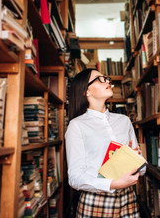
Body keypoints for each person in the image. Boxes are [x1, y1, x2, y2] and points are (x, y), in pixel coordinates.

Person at [65, 69, 146, 218]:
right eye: (99, 79)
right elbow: (75, 178)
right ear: (86, 92)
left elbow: (141, 169)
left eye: (106, 78)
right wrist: (113, 184)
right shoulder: (76, 126)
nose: (108, 81)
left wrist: (135, 162)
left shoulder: (124, 121)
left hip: (128, 198)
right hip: (95, 201)